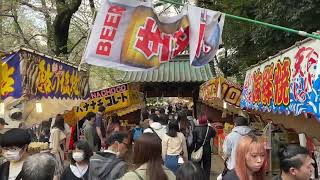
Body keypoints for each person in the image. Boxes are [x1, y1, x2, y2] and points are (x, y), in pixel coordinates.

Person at [193, 115, 216, 180]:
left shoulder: (196, 129)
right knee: (207, 165)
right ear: (206, 121)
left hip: (198, 148)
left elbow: (194, 140)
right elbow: (214, 135)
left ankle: (198, 178)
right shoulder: (210, 128)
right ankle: (206, 178)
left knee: (197, 164)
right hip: (207, 148)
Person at [49, 114, 66, 179]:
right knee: (59, 167)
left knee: (58, 168)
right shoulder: (57, 131)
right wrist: (55, 151)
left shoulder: (54, 129)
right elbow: (56, 143)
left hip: (57, 149)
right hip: (58, 150)